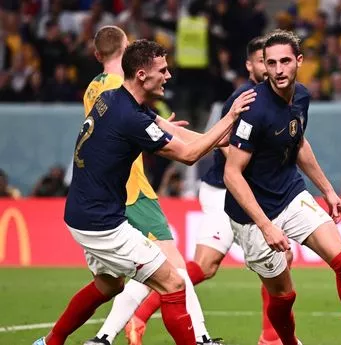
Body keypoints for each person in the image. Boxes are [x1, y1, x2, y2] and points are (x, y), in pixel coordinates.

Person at [32, 39, 255, 345]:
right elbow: (188, 155)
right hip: (102, 223)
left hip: (81, 211)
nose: (168, 76)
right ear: (141, 74)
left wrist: (219, 140)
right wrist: (229, 120)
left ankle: (51, 342)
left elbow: (176, 135)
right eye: (162, 70)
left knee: (108, 284)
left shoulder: (113, 99)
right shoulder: (130, 118)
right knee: (173, 283)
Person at [125, 35, 291, 345]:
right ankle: (140, 313)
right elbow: (231, 152)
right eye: (261, 62)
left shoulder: (275, 99)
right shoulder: (245, 98)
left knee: (229, 264)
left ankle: (270, 338)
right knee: (218, 264)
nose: (268, 69)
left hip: (243, 193)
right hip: (225, 193)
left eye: (272, 62)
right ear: (250, 65)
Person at [223, 29, 341, 345]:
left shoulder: (301, 96)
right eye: (271, 62)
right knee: (283, 297)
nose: (278, 70)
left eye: (285, 61)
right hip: (253, 216)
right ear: (263, 64)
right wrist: (265, 226)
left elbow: (299, 142)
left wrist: (329, 191)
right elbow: (232, 174)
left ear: (298, 61)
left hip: (290, 193)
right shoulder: (254, 108)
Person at [79, 26, 221, 345]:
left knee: (140, 273)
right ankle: (196, 336)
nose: (166, 76)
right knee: (171, 267)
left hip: (106, 190)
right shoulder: (124, 87)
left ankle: (104, 335)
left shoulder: (96, 88)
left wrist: (160, 124)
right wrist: (218, 135)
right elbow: (179, 149)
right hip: (133, 188)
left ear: (97, 54)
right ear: (130, 52)